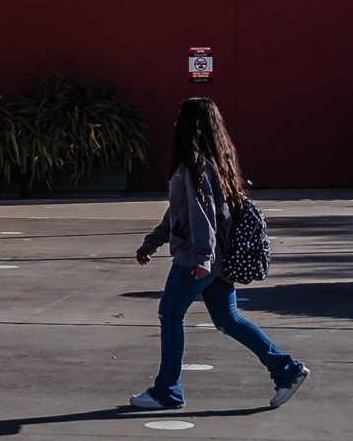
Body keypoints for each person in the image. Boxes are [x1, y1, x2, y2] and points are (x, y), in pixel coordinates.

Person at [129, 97, 305, 411]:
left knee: (170, 315)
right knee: (229, 319)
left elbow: (202, 216)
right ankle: (286, 370)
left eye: (179, 117)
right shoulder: (216, 161)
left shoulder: (194, 166)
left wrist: (200, 258)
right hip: (216, 260)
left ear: (189, 125)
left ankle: (166, 391)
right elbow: (178, 214)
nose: (174, 123)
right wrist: (151, 243)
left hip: (198, 259)